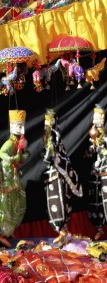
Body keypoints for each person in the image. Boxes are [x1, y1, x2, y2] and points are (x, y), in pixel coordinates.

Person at [42, 109, 82, 244]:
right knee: (55, 204)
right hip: (52, 175)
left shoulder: (53, 139)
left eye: (49, 122)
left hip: (58, 176)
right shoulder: (49, 139)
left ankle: (63, 231)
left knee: (60, 204)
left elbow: (49, 158)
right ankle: (62, 231)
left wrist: (48, 155)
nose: (46, 125)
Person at [0, 110, 29, 248]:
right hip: (6, 176)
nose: (21, 129)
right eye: (18, 126)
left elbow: (24, 157)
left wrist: (22, 155)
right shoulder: (9, 143)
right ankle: (2, 233)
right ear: (12, 126)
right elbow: (2, 153)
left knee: (15, 201)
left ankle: (9, 230)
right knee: (6, 202)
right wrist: (13, 158)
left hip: (13, 176)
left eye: (22, 126)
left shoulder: (19, 142)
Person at [88, 104, 107, 239]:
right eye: (94, 118)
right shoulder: (92, 138)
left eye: (98, 118)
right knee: (96, 202)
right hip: (95, 174)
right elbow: (89, 154)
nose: (95, 121)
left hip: (105, 173)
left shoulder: (105, 138)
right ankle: (99, 229)